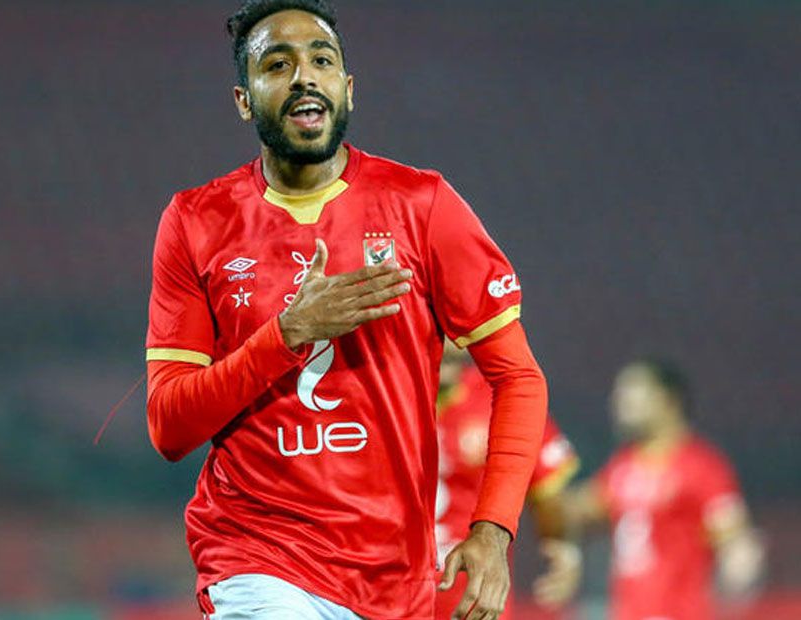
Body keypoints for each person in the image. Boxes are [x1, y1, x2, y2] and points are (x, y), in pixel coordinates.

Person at [144, 2, 548, 618]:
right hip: (256, 557)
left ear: (348, 88)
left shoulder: (423, 205)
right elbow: (169, 427)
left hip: (393, 577)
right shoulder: (196, 221)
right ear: (244, 100)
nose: (304, 76)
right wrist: (288, 333)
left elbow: (518, 377)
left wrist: (493, 529)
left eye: (322, 60)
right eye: (277, 65)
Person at [564, 359, 765, 620]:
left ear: (668, 400)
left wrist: (738, 562)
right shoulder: (622, 466)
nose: (620, 402)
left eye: (632, 392)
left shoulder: (701, 467)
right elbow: (577, 511)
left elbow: (732, 534)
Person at [435, 344, 582, 620]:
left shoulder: (499, 396)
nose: (451, 347)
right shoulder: (383, 396)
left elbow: (548, 491)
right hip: (389, 599)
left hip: (471, 603)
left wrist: (563, 547)